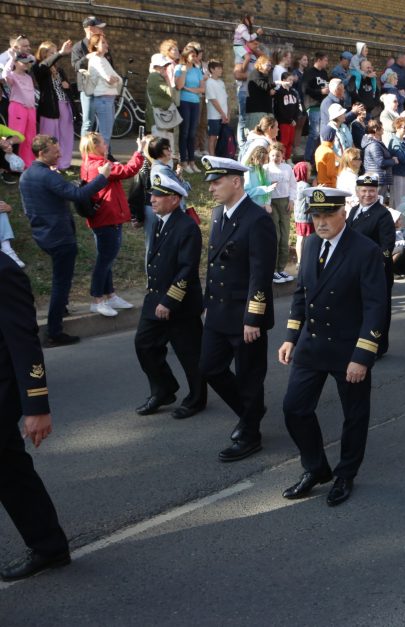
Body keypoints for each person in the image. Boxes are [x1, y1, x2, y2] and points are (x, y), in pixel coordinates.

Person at [279, 186, 387, 506]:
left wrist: (363, 355)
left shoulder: (364, 250)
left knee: (354, 416)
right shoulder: (311, 244)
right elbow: (301, 294)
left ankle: (345, 474)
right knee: (294, 408)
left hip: (349, 350)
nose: (321, 222)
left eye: (328, 215)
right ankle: (315, 468)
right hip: (312, 347)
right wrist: (290, 338)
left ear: (344, 213)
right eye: (316, 215)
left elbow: (375, 308)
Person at [199, 156, 277, 461]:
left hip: (245, 317)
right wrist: (207, 304)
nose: (211, 189)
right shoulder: (219, 214)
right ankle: (251, 412)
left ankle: (250, 432)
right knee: (209, 367)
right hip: (218, 312)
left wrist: (253, 317)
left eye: (216, 182)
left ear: (236, 181)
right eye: (210, 183)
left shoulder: (257, 220)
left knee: (249, 376)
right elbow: (213, 265)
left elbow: (261, 273)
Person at [0, 253, 71, 583]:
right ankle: (49, 544)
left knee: (10, 472)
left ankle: (48, 545)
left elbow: (24, 340)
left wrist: (36, 407)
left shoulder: (4, 271)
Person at [19, 135, 110, 346]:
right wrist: (102, 177)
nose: (60, 154)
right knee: (61, 283)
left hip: (42, 235)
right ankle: (54, 331)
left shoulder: (26, 176)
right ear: (42, 153)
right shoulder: (48, 176)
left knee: (60, 280)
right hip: (60, 238)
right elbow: (78, 194)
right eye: (55, 151)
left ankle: (61, 308)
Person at [134, 175, 206, 419]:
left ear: (174, 199)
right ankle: (163, 389)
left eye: (158, 196)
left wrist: (170, 301)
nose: (151, 199)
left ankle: (197, 399)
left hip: (180, 303)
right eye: (152, 195)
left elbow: (187, 268)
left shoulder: (187, 227)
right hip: (156, 298)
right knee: (144, 345)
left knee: (190, 354)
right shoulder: (159, 221)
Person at [80, 132, 146, 317]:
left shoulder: (89, 163)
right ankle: (98, 299)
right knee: (104, 261)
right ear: (94, 146)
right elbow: (128, 171)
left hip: (103, 218)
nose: (106, 145)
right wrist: (139, 151)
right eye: (103, 143)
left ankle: (110, 295)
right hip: (107, 219)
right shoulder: (101, 165)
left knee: (106, 259)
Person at [347, 175, 396, 356]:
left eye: (372, 191)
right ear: (357, 192)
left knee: (378, 310)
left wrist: (374, 268)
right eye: (364, 191)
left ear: (377, 192)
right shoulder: (353, 211)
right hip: (355, 270)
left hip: (376, 271)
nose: (368, 194)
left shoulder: (382, 214)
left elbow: (386, 247)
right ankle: (359, 343)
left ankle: (378, 346)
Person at [33, 40, 74, 171]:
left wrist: (67, 87)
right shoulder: (39, 67)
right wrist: (61, 53)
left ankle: (64, 163)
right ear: (44, 54)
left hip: (64, 105)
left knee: (66, 136)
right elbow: (44, 66)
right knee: (50, 137)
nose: (55, 55)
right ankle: (49, 165)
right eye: (51, 52)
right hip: (50, 108)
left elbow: (68, 89)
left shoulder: (59, 70)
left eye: (55, 52)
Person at [265, 142, 296, 284]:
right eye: (272, 155)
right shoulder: (266, 169)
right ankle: (272, 270)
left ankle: (281, 268)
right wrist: (266, 202)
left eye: (278, 155)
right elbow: (263, 187)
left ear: (282, 155)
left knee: (284, 236)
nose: (275, 158)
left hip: (284, 203)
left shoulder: (287, 168)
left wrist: (291, 200)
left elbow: (293, 186)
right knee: (275, 236)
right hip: (272, 203)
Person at [72, 17, 109, 137]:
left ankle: (106, 152)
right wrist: (88, 56)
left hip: (102, 88)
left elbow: (110, 64)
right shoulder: (78, 46)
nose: (101, 30)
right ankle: (85, 152)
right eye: (99, 27)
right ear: (90, 28)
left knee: (105, 124)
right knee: (88, 123)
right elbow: (76, 66)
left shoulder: (102, 43)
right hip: (88, 89)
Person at [84, 34, 122, 150]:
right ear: (95, 45)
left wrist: (115, 80)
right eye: (103, 43)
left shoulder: (103, 59)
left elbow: (117, 79)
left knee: (106, 134)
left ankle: (103, 160)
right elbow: (110, 79)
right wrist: (114, 80)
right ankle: (101, 162)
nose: (107, 45)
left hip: (108, 99)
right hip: (103, 99)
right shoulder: (96, 59)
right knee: (105, 135)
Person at [174, 43, 206, 174]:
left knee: (193, 132)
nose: (194, 56)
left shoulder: (198, 70)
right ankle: (184, 161)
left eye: (195, 54)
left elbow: (202, 89)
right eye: (192, 54)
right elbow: (179, 86)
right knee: (185, 132)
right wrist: (184, 71)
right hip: (184, 102)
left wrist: (190, 89)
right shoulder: (179, 68)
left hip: (195, 102)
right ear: (186, 56)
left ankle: (192, 161)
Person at [205, 59, 229, 158]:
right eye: (218, 68)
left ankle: (219, 155)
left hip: (223, 115)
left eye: (221, 68)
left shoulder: (221, 82)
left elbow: (225, 99)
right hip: (214, 116)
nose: (221, 70)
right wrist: (222, 113)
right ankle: (212, 157)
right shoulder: (209, 83)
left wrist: (227, 114)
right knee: (213, 137)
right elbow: (213, 100)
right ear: (212, 69)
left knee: (222, 137)